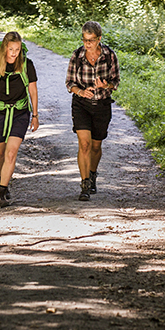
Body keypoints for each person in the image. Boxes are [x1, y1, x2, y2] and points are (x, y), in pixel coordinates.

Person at [0, 31, 39, 207]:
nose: (14, 53)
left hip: (20, 113)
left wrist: (35, 115)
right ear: (4, 48)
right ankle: (2, 178)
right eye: (11, 49)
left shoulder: (27, 65)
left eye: (17, 49)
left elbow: (33, 91)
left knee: (11, 152)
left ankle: (2, 190)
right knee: (0, 153)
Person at [65, 20, 119, 201]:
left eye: (91, 40)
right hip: (81, 105)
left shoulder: (109, 56)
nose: (87, 44)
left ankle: (92, 174)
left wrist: (106, 85)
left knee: (96, 146)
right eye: (85, 40)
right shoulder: (77, 56)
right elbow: (69, 83)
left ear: (99, 39)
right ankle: (85, 184)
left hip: (102, 105)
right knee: (84, 144)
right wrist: (80, 91)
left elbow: (116, 82)